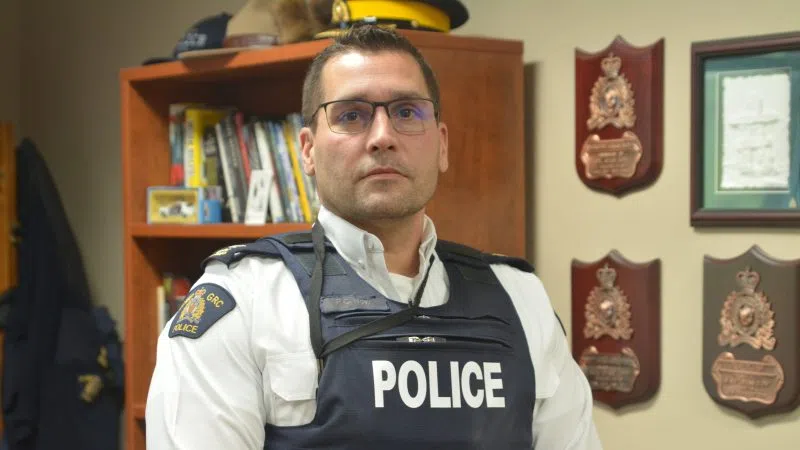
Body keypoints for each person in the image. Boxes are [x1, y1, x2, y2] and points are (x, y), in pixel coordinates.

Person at [145, 25, 603, 449]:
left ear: (442, 144)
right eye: (351, 115)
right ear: (307, 150)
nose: (383, 136)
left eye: (407, 112)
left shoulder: (521, 301)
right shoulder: (241, 304)